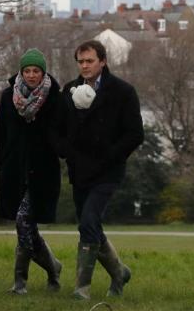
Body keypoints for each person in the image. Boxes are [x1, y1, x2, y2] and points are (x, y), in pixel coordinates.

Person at [57, 40, 144, 300]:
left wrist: (111, 155)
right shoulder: (70, 90)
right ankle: (119, 272)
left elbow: (135, 134)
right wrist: (66, 151)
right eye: (81, 61)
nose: (84, 66)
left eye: (89, 61)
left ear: (103, 61)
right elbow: (60, 128)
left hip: (108, 171)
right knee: (89, 224)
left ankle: (81, 288)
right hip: (79, 170)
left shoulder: (123, 91)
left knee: (88, 222)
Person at [0, 48, 64, 295]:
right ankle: (53, 267)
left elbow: (61, 134)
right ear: (21, 73)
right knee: (26, 226)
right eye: (27, 71)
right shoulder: (7, 97)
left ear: (43, 72)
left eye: (36, 71)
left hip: (42, 172)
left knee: (23, 222)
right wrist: (2, 157)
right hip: (14, 170)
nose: (32, 75)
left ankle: (20, 282)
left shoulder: (55, 99)